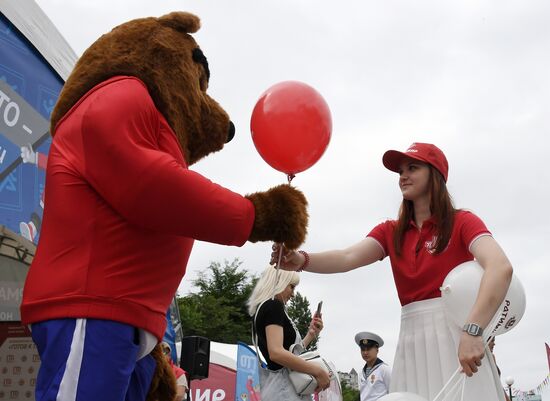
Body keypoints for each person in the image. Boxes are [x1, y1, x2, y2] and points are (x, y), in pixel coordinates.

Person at [271, 142, 513, 400]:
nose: (403, 176)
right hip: (411, 342)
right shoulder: (391, 231)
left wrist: (473, 331)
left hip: (457, 336)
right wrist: (301, 259)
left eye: (412, 168)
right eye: (400, 171)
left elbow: (500, 267)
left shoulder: (462, 221)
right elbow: (347, 256)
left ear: (435, 175)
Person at [247, 265, 331, 401]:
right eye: (292, 287)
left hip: (279, 388)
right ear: (280, 281)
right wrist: (317, 370)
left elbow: (288, 353)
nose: (293, 294)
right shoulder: (273, 305)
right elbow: (277, 353)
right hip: (285, 391)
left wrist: (311, 334)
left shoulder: (265, 307)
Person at [355, 332, 391, 401]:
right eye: (363, 349)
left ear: (377, 350)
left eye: (368, 349)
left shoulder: (384, 369)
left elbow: (394, 392)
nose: (365, 353)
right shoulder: (361, 373)